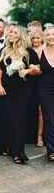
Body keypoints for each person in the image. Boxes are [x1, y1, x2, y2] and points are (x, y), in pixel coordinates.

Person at [0, 25, 40, 164]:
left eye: (15, 32)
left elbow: (37, 69)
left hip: (22, 91)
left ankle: (18, 152)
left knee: (18, 120)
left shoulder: (28, 52)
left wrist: (27, 71)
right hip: (6, 89)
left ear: (21, 35)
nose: (11, 34)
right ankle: (7, 146)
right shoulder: (4, 51)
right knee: (6, 118)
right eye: (10, 32)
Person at [26, 29, 45, 146]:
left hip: (43, 81)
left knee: (41, 110)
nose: (35, 40)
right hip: (31, 81)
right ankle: (28, 134)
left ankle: (40, 136)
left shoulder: (46, 49)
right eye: (33, 38)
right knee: (30, 107)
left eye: (38, 38)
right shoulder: (28, 50)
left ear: (41, 38)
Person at [39, 26, 54, 161]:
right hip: (45, 90)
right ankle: (51, 150)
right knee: (49, 118)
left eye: (53, 34)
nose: (51, 37)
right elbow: (35, 68)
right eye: (48, 35)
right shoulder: (41, 51)